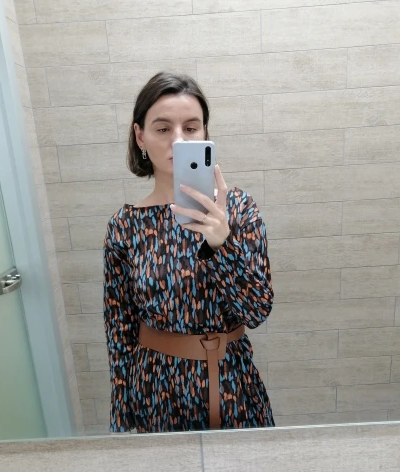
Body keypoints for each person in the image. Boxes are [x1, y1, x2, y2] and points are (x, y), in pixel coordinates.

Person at [103, 71, 275, 433]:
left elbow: (257, 311)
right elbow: (119, 329)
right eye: (163, 128)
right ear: (140, 136)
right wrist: (122, 418)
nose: (178, 140)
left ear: (205, 134)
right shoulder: (124, 226)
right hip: (155, 390)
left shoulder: (238, 209)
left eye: (191, 128)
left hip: (231, 383)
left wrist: (222, 244)